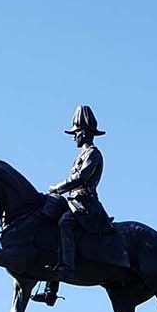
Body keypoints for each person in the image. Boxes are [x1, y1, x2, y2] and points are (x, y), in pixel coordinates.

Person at [38, 106, 114, 301]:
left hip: (85, 203)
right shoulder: (80, 155)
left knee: (65, 223)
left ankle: (68, 267)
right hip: (73, 200)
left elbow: (81, 177)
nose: (73, 137)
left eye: (75, 133)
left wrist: (59, 187)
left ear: (84, 133)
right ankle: (50, 290)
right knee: (50, 224)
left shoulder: (93, 154)